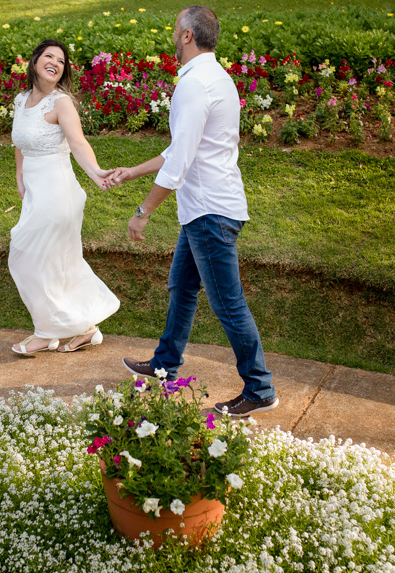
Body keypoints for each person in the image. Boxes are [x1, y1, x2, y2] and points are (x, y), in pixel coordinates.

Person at [109, 6, 279, 417]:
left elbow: (181, 161)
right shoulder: (216, 78)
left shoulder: (194, 85)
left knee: (228, 303)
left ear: (186, 35)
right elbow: (183, 148)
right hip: (208, 210)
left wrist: (143, 210)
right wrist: (134, 171)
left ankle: (260, 389)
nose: (173, 34)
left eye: (175, 28)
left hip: (210, 213)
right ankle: (165, 363)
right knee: (182, 286)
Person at [9, 39, 120, 355]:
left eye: (61, 61)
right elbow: (20, 142)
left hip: (59, 193)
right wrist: (19, 178)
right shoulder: (21, 101)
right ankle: (85, 328)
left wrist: (97, 173)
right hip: (36, 193)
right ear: (34, 62)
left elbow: (79, 143)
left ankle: (46, 333)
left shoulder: (61, 103)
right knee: (57, 263)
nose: (55, 63)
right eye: (49, 57)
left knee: (25, 256)